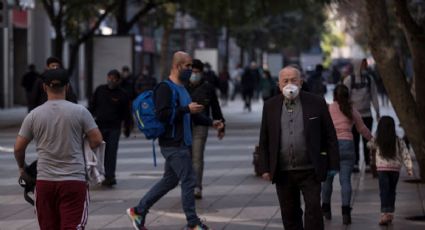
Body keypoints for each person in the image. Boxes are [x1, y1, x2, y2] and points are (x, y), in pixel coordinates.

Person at [126, 51, 223, 230]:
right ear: (177, 66)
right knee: (189, 180)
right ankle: (193, 223)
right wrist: (185, 109)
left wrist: (211, 122)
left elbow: (192, 116)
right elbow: (162, 115)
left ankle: (139, 210)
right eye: (187, 66)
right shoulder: (165, 88)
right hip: (172, 143)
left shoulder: (183, 88)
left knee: (170, 181)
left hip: (182, 143)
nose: (190, 70)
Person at [13, 68, 103, 230]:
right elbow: (97, 140)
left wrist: (21, 168)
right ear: (67, 87)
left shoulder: (34, 115)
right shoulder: (80, 111)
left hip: (45, 182)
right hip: (74, 181)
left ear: (44, 87)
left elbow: (19, 148)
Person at [258, 65, 339, 230]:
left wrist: (333, 164)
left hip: (310, 170)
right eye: (285, 81)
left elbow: (330, 134)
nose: (289, 84)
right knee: (289, 214)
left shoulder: (316, 102)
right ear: (279, 85)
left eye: (293, 80)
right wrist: (265, 167)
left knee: (314, 211)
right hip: (283, 171)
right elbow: (264, 139)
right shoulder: (270, 106)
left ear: (301, 82)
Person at [321, 84, 373, 225]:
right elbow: (362, 128)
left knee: (327, 180)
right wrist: (373, 140)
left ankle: (325, 210)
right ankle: (345, 213)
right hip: (347, 146)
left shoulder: (329, 108)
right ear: (348, 95)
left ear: (334, 95)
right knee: (345, 181)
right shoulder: (351, 110)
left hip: (331, 147)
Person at [186, 59, 225, 199]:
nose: (194, 74)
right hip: (184, 126)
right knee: (186, 157)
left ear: (202, 73)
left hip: (201, 126)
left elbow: (215, 108)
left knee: (197, 157)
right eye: (192, 72)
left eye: (197, 72)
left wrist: (221, 125)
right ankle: (187, 185)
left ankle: (197, 186)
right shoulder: (182, 86)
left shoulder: (208, 87)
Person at [89, 69, 133, 187]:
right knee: (92, 151)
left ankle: (110, 176)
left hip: (114, 128)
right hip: (99, 127)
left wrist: (127, 128)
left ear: (118, 80)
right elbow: (92, 106)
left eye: (114, 78)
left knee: (111, 153)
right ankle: (91, 174)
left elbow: (127, 114)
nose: (111, 80)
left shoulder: (122, 94)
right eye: (110, 77)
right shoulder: (100, 90)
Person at [367, 116, 413, 226]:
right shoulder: (398, 140)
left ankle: (384, 214)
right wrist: (409, 167)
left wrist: (374, 135)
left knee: (384, 191)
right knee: (392, 191)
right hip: (395, 170)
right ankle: (390, 213)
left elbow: (369, 145)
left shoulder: (378, 139)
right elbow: (405, 153)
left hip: (382, 169)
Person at [344, 58, 380, 173]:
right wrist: (346, 113)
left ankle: (368, 164)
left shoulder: (370, 79)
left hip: (367, 114)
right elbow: (344, 97)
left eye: (366, 64)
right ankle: (355, 163)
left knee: (367, 140)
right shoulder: (349, 80)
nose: (365, 66)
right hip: (353, 116)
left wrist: (377, 111)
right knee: (354, 140)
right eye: (363, 64)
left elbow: (374, 95)